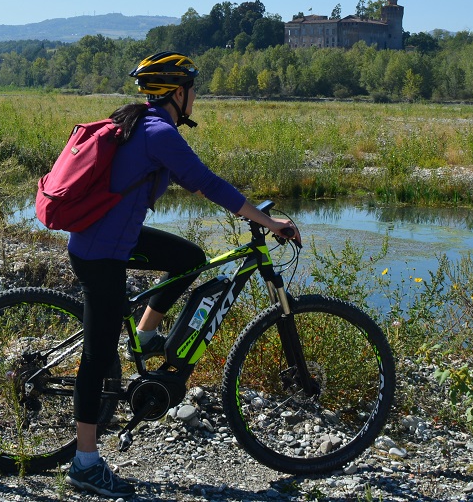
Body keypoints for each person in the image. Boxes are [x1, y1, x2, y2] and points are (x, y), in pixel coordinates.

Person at [65, 51, 298, 498]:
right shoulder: (158, 133)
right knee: (97, 358)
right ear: (177, 93)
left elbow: (195, 182)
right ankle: (85, 464)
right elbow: (207, 183)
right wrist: (269, 223)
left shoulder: (142, 121)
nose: (197, 97)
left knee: (189, 258)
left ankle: (148, 334)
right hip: (102, 252)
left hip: (112, 237)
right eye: (194, 89)